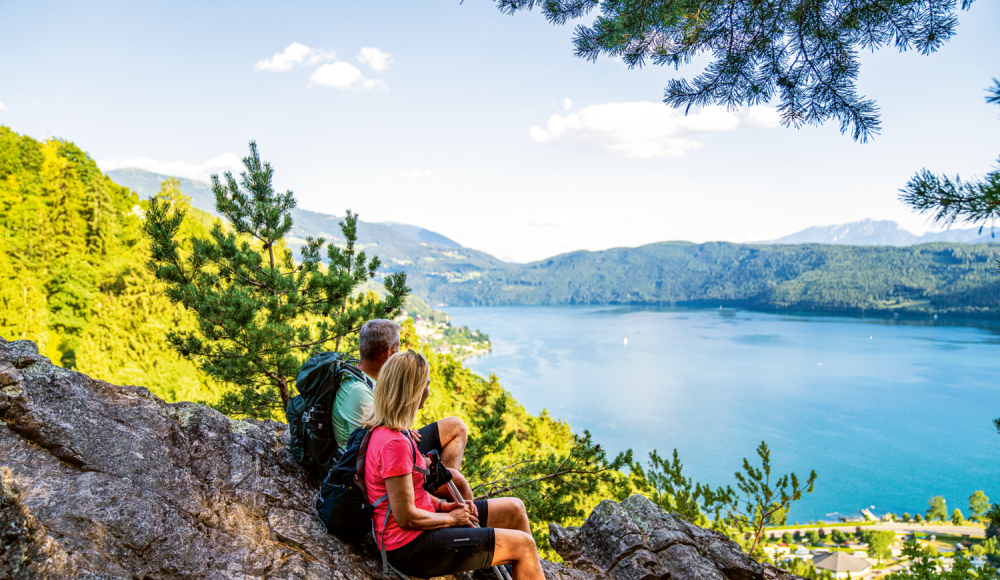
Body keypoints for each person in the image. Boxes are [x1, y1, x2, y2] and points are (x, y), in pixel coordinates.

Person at [362, 350, 544, 580]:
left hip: (422, 529)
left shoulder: (397, 432)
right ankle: (521, 563)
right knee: (524, 545)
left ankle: (509, 572)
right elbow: (406, 516)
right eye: (425, 384)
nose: (429, 390)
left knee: (515, 509)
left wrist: (441, 506)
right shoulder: (393, 443)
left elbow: (415, 494)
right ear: (413, 392)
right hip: (411, 548)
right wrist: (452, 519)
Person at [332, 319, 472, 496]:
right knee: (447, 463)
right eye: (398, 349)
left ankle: (441, 486)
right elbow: (376, 446)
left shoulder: (363, 378)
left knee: (456, 427)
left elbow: (383, 426)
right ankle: (438, 492)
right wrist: (405, 436)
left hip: (389, 447)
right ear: (388, 352)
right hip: (372, 467)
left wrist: (402, 430)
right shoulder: (358, 393)